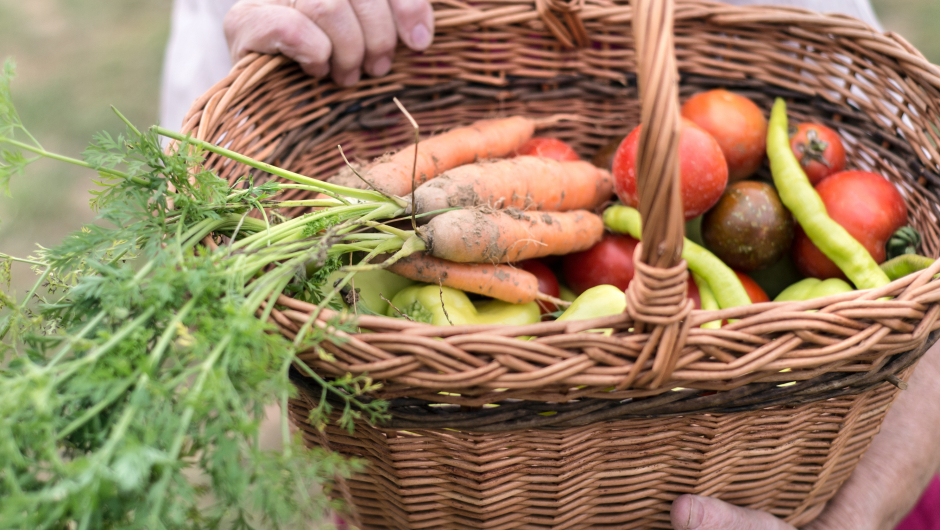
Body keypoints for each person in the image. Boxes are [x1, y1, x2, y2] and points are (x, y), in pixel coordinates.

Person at [158, 1, 940, 528]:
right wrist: (282, 42)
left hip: (809, 480)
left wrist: (851, 519)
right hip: (432, 485)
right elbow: (204, 214)